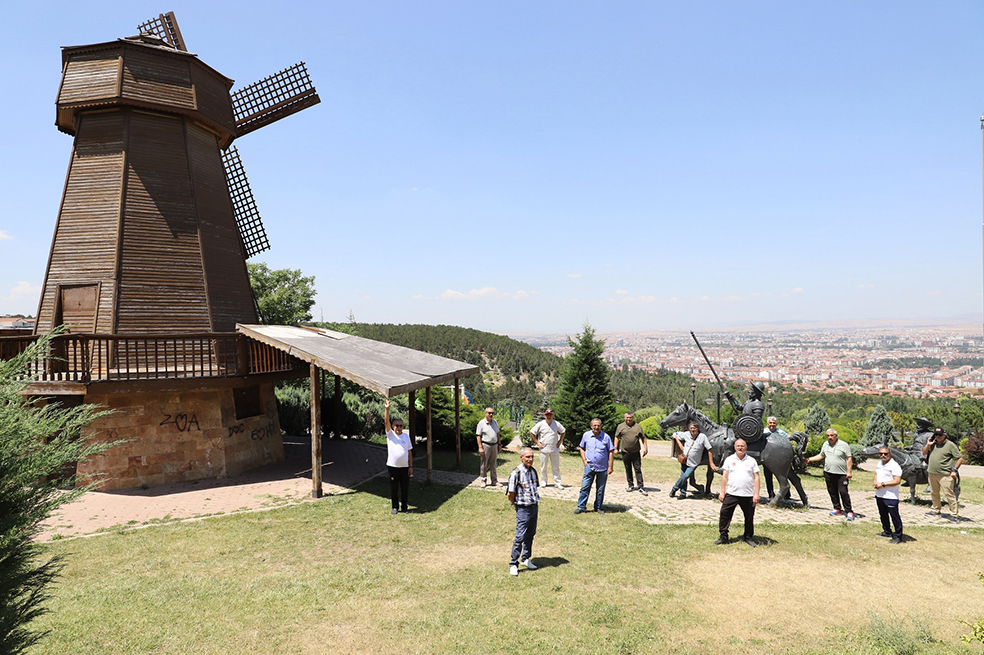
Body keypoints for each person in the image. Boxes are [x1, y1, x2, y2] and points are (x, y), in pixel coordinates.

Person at [716, 438, 760, 546]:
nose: (740, 448)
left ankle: (748, 537)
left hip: (748, 494)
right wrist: (722, 492)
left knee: (749, 517)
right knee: (724, 515)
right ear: (735, 447)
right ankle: (723, 537)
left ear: (746, 448)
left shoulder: (751, 461)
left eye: (742, 446)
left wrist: (756, 494)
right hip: (732, 493)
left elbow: (757, 478)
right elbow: (725, 477)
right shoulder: (729, 459)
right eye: (738, 446)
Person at [803, 428, 854, 520]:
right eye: (828, 436)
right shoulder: (825, 445)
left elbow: (849, 458)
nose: (830, 437)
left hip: (841, 474)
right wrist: (809, 459)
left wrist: (849, 471)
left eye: (831, 435)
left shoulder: (844, 445)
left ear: (836, 436)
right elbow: (821, 456)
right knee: (832, 491)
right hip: (828, 472)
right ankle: (837, 508)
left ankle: (849, 511)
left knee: (843, 492)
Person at [507, 447, 540, 576]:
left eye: (532, 457)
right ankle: (513, 563)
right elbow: (511, 493)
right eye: (527, 457)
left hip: (533, 507)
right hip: (523, 509)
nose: (530, 459)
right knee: (520, 536)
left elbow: (534, 488)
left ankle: (525, 558)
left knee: (530, 534)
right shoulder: (516, 473)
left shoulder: (533, 471)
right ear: (521, 457)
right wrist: (516, 505)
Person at [574, 418, 614, 514]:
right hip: (589, 466)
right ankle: (581, 507)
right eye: (594, 425)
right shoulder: (586, 435)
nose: (596, 427)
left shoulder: (606, 437)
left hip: (602, 468)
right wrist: (584, 461)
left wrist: (610, 466)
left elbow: (611, 452)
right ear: (591, 426)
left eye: (598, 425)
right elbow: (582, 448)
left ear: (601, 426)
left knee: (600, 489)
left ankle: (598, 507)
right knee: (585, 487)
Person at [922, 427, 963, 519]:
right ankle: (936, 510)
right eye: (936, 434)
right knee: (934, 493)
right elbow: (924, 453)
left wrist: (954, 470)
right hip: (932, 473)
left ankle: (954, 514)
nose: (938, 436)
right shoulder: (933, 444)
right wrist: (928, 445)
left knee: (949, 494)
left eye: (940, 435)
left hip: (945, 474)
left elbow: (960, 458)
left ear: (945, 435)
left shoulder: (950, 445)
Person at [670, 422, 716, 499]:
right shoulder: (686, 434)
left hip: (694, 463)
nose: (692, 430)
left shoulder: (702, 437)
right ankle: (683, 494)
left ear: (697, 429)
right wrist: (677, 439)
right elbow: (676, 434)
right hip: (685, 460)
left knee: (685, 476)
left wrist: (711, 462)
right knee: (683, 476)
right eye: (691, 428)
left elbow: (709, 449)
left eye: (694, 428)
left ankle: (674, 488)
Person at [384, 399, 412, 514]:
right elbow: (386, 422)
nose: (399, 428)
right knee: (394, 488)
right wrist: (387, 409)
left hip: (404, 467)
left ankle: (404, 507)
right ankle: (395, 507)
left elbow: (409, 452)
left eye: (401, 426)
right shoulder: (390, 435)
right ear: (393, 427)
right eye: (397, 426)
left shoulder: (406, 437)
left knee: (404, 488)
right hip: (392, 467)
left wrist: (411, 466)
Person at [873, 446, 904, 543]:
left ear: (890, 454)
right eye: (880, 454)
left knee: (894, 516)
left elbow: (897, 480)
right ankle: (887, 531)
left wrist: (882, 484)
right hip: (880, 494)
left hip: (890, 496)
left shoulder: (894, 466)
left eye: (885, 454)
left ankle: (898, 536)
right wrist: (875, 482)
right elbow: (877, 474)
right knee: (883, 515)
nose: (883, 456)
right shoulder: (880, 463)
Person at [530, 408, 566, 488]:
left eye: (550, 415)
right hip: (544, 449)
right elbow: (532, 432)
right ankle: (544, 482)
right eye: (547, 415)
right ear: (544, 416)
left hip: (554, 449)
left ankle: (557, 483)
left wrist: (560, 441)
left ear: (552, 415)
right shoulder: (541, 424)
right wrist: (537, 442)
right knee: (543, 467)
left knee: (556, 467)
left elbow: (563, 431)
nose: (549, 416)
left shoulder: (556, 424)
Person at [614, 412, 648, 492]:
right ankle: (630, 485)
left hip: (636, 451)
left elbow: (643, 438)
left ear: (633, 418)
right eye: (627, 417)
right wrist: (615, 448)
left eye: (630, 417)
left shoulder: (638, 426)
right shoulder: (620, 426)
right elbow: (616, 437)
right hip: (625, 451)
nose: (629, 419)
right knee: (628, 468)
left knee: (638, 469)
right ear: (624, 418)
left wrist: (645, 448)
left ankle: (640, 486)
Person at [475, 407, 501, 487]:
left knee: (493, 464)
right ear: (485, 413)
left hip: (494, 445)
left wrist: (499, 444)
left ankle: (494, 481)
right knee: (484, 464)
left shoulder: (495, 422)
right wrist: (480, 447)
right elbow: (478, 436)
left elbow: (497, 434)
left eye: (492, 413)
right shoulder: (481, 423)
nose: (491, 414)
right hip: (485, 445)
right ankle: (483, 480)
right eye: (489, 413)